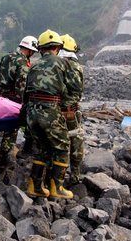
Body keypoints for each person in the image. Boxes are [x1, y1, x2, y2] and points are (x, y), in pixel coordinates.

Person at [23, 29, 73, 199]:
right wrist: (66, 107)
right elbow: (72, 90)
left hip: (31, 111)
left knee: (41, 148)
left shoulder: (34, 65)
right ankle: (56, 187)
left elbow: (26, 92)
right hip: (50, 110)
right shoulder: (63, 63)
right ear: (58, 48)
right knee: (62, 146)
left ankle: (35, 186)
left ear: (41, 49)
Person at [0, 36, 38, 167]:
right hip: (13, 99)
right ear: (29, 50)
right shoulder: (23, 63)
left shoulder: (6, 56)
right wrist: (23, 103)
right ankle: (5, 159)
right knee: (11, 129)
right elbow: (21, 85)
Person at [59, 34, 84, 184]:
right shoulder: (75, 67)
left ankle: (53, 177)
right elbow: (78, 92)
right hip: (69, 112)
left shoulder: (50, 65)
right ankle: (74, 175)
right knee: (75, 141)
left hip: (51, 111)